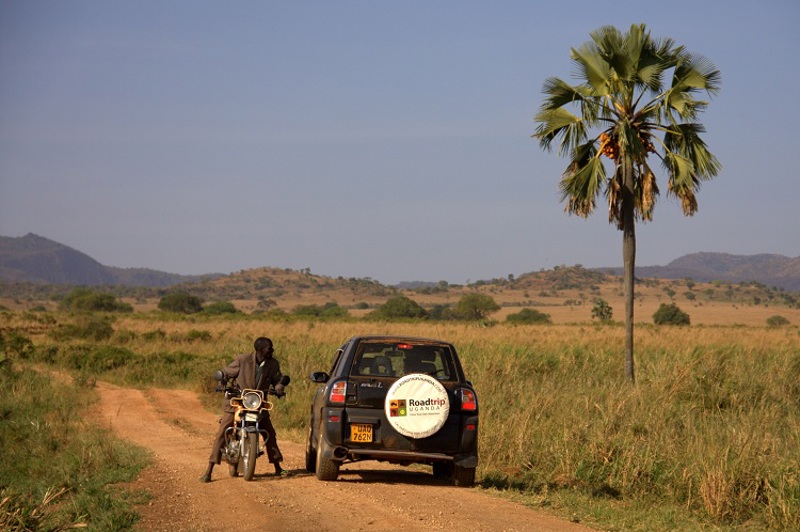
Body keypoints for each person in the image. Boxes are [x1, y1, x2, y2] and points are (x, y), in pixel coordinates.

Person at [200, 337, 287, 482]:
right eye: (269, 348)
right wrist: (222, 383)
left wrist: (279, 389)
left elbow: (278, 380)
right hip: (237, 401)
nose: (272, 350)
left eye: (272, 348)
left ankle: (277, 467)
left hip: (257, 402)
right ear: (260, 349)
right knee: (224, 430)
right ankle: (209, 470)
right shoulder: (243, 360)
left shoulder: (273, 364)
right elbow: (225, 373)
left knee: (269, 432)